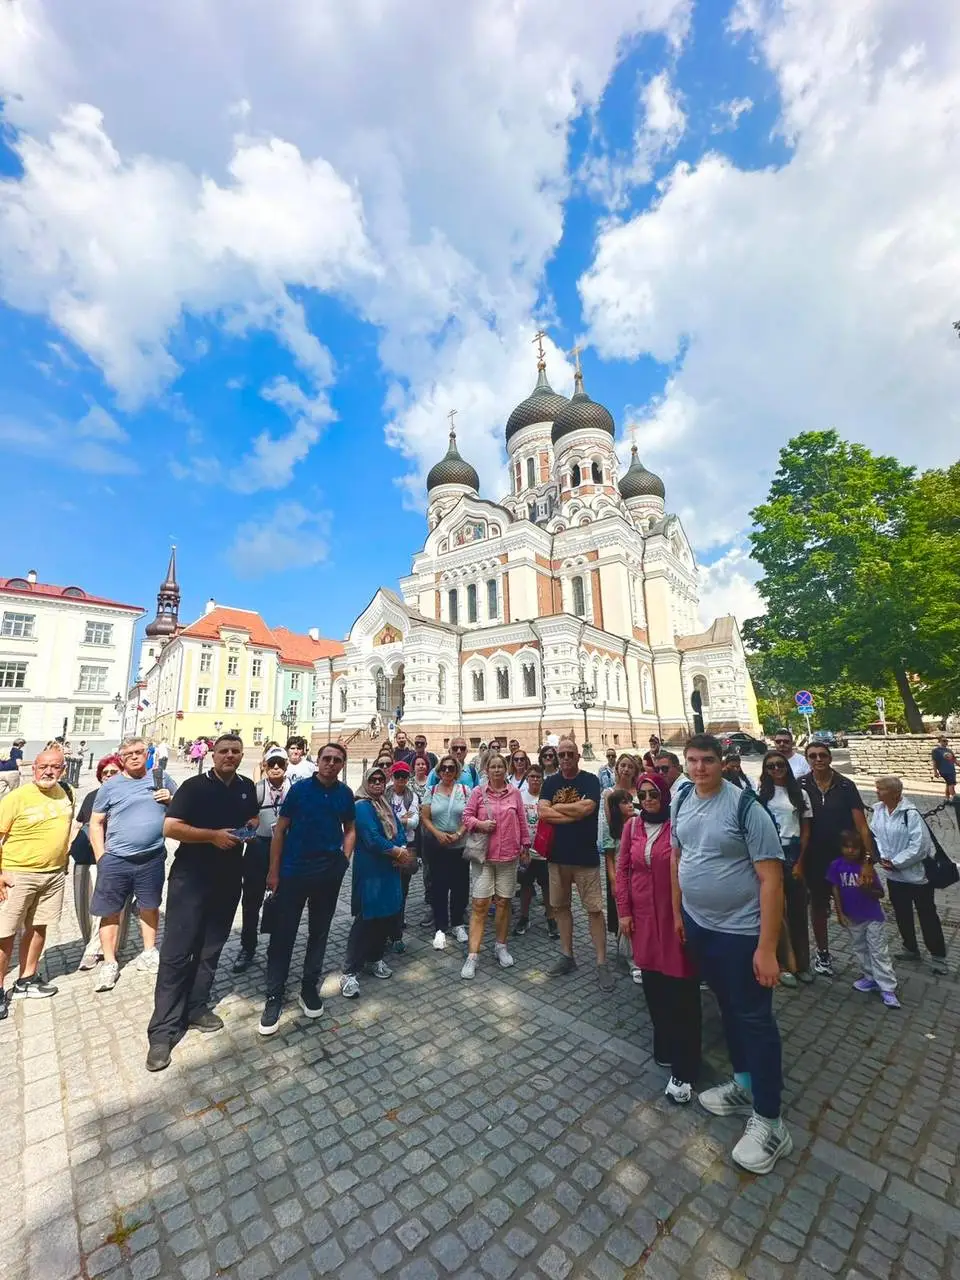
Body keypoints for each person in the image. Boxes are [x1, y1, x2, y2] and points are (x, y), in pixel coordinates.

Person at [671, 734, 790, 1174]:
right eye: (692, 761)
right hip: (701, 926)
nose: (699, 768)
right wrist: (678, 912)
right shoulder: (681, 798)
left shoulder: (745, 808)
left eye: (707, 761)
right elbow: (678, 857)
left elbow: (772, 880)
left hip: (741, 933)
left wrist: (767, 948)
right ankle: (744, 1085)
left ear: (723, 763)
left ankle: (772, 1121)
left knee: (755, 1019)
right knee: (728, 1009)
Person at [145, 735, 259, 1070]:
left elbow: (251, 816)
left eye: (235, 752)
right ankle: (162, 1032)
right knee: (178, 952)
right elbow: (170, 827)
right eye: (224, 751)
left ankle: (195, 1007)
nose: (230, 756)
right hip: (191, 878)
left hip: (228, 879)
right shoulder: (194, 787)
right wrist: (211, 836)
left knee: (211, 948)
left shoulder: (246, 786)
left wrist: (249, 826)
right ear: (212, 755)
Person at [258, 743, 355, 1035]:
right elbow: (280, 831)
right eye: (327, 759)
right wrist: (274, 872)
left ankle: (308, 987)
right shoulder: (299, 791)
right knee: (283, 934)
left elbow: (350, 828)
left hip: (328, 873)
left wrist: (344, 860)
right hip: (293, 871)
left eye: (337, 760)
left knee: (319, 932)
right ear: (318, 762)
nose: (331, 764)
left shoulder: (345, 793)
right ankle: (274, 995)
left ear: (342, 764)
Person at [616, 770, 700, 1103]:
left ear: (665, 796)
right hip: (643, 918)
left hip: (674, 916)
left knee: (681, 990)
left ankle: (687, 1062)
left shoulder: (677, 827)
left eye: (655, 794)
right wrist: (624, 911)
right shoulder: (632, 827)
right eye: (644, 794)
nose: (649, 800)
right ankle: (664, 1042)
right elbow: (622, 869)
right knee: (653, 984)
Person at [89, 737, 177, 991]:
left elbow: (183, 807)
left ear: (147, 754)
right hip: (116, 859)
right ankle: (109, 962)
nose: (136, 757)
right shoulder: (111, 786)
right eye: (129, 754)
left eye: (140, 752)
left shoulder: (161, 777)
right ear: (121, 758)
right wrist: (101, 857)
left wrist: (170, 799)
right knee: (110, 911)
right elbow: (96, 822)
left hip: (151, 857)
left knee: (150, 906)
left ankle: (149, 952)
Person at [0, 747, 72, 1016]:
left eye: (55, 767)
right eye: (43, 767)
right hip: (18, 874)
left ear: (63, 769)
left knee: (38, 927)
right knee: (4, 933)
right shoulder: (17, 798)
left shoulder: (65, 793)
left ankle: (26, 980)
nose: (49, 771)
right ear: (34, 769)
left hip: (53, 875)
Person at [538, 739, 612, 990]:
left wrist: (558, 807)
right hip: (557, 857)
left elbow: (588, 808)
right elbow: (544, 812)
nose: (566, 758)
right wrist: (572, 813)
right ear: (557, 757)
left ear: (579, 756)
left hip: (585, 857)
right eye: (562, 754)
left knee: (594, 910)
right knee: (560, 908)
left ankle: (602, 962)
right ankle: (567, 955)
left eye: (570, 753)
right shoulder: (550, 782)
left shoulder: (590, 780)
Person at [799, 743, 875, 977]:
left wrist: (868, 860)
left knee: (857, 906)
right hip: (815, 858)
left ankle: (869, 961)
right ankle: (823, 953)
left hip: (846, 857)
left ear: (830, 757)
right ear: (808, 759)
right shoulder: (801, 785)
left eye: (822, 755)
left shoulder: (845, 785)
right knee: (819, 907)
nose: (818, 759)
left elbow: (861, 824)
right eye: (813, 756)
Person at [339, 767, 413, 999]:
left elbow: (399, 830)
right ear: (365, 781)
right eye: (373, 779)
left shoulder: (384, 803)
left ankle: (375, 958)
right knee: (367, 918)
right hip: (372, 869)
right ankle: (350, 971)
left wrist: (399, 848)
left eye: (382, 779)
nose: (378, 783)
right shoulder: (362, 806)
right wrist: (397, 852)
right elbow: (370, 838)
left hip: (389, 868)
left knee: (386, 915)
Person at [461, 753, 530, 978]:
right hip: (484, 858)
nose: (497, 770)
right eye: (493, 767)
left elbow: (521, 820)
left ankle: (501, 946)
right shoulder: (478, 792)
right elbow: (466, 817)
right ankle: (473, 955)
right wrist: (480, 824)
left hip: (509, 857)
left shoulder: (515, 793)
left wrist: (526, 845)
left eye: (501, 766)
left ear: (506, 769)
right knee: (480, 904)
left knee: (503, 902)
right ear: (487, 770)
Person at [870, 776, 947, 975]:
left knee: (927, 914)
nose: (877, 792)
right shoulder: (878, 811)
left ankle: (938, 955)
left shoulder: (911, 814)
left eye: (881, 789)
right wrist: (884, 858)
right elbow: (876, 835)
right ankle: (910, 947)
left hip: (917, 877)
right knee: (902, 913)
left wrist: (897, 862)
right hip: (894, 877)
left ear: (895, 793)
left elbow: (920, 846)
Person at [233, 746, 291, 974]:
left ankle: (275, 950)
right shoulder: (256, 790)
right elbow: (239, 822)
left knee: (283, 902)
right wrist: (249, 838)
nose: (276, 768)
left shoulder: (294, 790)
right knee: (251, 902)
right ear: (265, 766)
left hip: (285, 850)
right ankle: (248, 947)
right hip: (259, 848)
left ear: (286, 766)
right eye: (271, 764)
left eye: (280, 764)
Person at [757, 751, 813, 986]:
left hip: (792, 851)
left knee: (798, 910)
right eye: (771, 766)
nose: (776, 769)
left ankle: (802, 963)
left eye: (780, 765)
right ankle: (782, 963)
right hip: (771, 853)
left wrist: (801, 860)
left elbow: (806, 830)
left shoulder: (799, 794)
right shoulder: (762, 796)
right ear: (765, 770)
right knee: (775, 912)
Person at [826, 829, 899, 1007]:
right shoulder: (836, 865)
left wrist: (865, 888)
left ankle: (887, 987)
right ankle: (870, 977)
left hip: (872, 915)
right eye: (847, 847)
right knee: (860, 948)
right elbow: (834, 889)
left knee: (878, 950)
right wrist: (840, 912)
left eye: (854, 847)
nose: (850, 851)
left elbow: (880, 893)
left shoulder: (865, 869)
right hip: (852, 916)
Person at [73, 754, 123, 971]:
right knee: (92, 906)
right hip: (91, 858)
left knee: (115, 908)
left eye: (114, 772)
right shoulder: (92, 796)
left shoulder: (128, 796)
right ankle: (93, 947)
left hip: (119, 858)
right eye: (106, 773)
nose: (109, 776)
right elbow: (79, 825)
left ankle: (104, 948)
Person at [598, 754, 642, 976]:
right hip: (619, 860)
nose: (625, 769)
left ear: (636, 770)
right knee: (624, 910)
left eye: (630, 766)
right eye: (622, 765)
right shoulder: (608, 794)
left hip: (643, 863)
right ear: (616, 768)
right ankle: (630, 955)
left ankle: (642, 951)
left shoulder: (643, 791)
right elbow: (608, 838)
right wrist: (614, 879)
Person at [421, 754, 471, 950]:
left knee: (460, 886)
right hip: (438, 846)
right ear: (439, 771)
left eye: (451, 768)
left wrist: (459, 833)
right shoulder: (431, 790)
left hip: (459, 845)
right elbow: (425, 817)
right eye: (444, 768)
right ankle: (440, 927)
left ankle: (458, 923)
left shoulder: (465, 790)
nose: (447, 771)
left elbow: (469, 815)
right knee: (439, 887)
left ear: (456, 771)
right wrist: (438, 834)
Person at [515, 764, 557, 938]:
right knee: (525, 886)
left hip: (545, 851)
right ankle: (524, 917)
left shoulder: (548, 798)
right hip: (526, 850)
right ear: (527, 778)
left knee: (547, 886)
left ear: (542, 779)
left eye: (538, 777)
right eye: (531, 776)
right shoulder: (520, 797)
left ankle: (551, 917)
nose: (535, 780)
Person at [386, 761, 419, 951]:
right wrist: (403, 819)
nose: (400, 780)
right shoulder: (385, 794)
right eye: (397, 776)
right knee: (389, 890)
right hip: (389, 847)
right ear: (392, 776)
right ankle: (388, 930)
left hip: (407, 846)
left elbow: (414, 822)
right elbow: (383, 820)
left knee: (402, 891)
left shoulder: (411, 795)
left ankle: (397, 932)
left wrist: (395, 820)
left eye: (404, 776)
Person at [410, 756, 434, 927]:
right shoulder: (408, 782)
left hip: (428, 826)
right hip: (413, 827)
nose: (420, 766)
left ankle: (430, 893)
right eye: (417, 764)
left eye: (423, 764)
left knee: (429, 862)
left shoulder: (431, 782)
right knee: (421, 861)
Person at [932, 734, 957, 800]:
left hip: (951, 771)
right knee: (951, 786)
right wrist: (935, 772)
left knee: (948, 784)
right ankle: (957, 799)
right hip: (944, 771)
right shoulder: (936, 751)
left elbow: (954, 760)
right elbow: (934, 762)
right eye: (944, 741)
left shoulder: (949, 751)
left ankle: (947, 799)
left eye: (946, 741)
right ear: (939, 741)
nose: (946, 742)